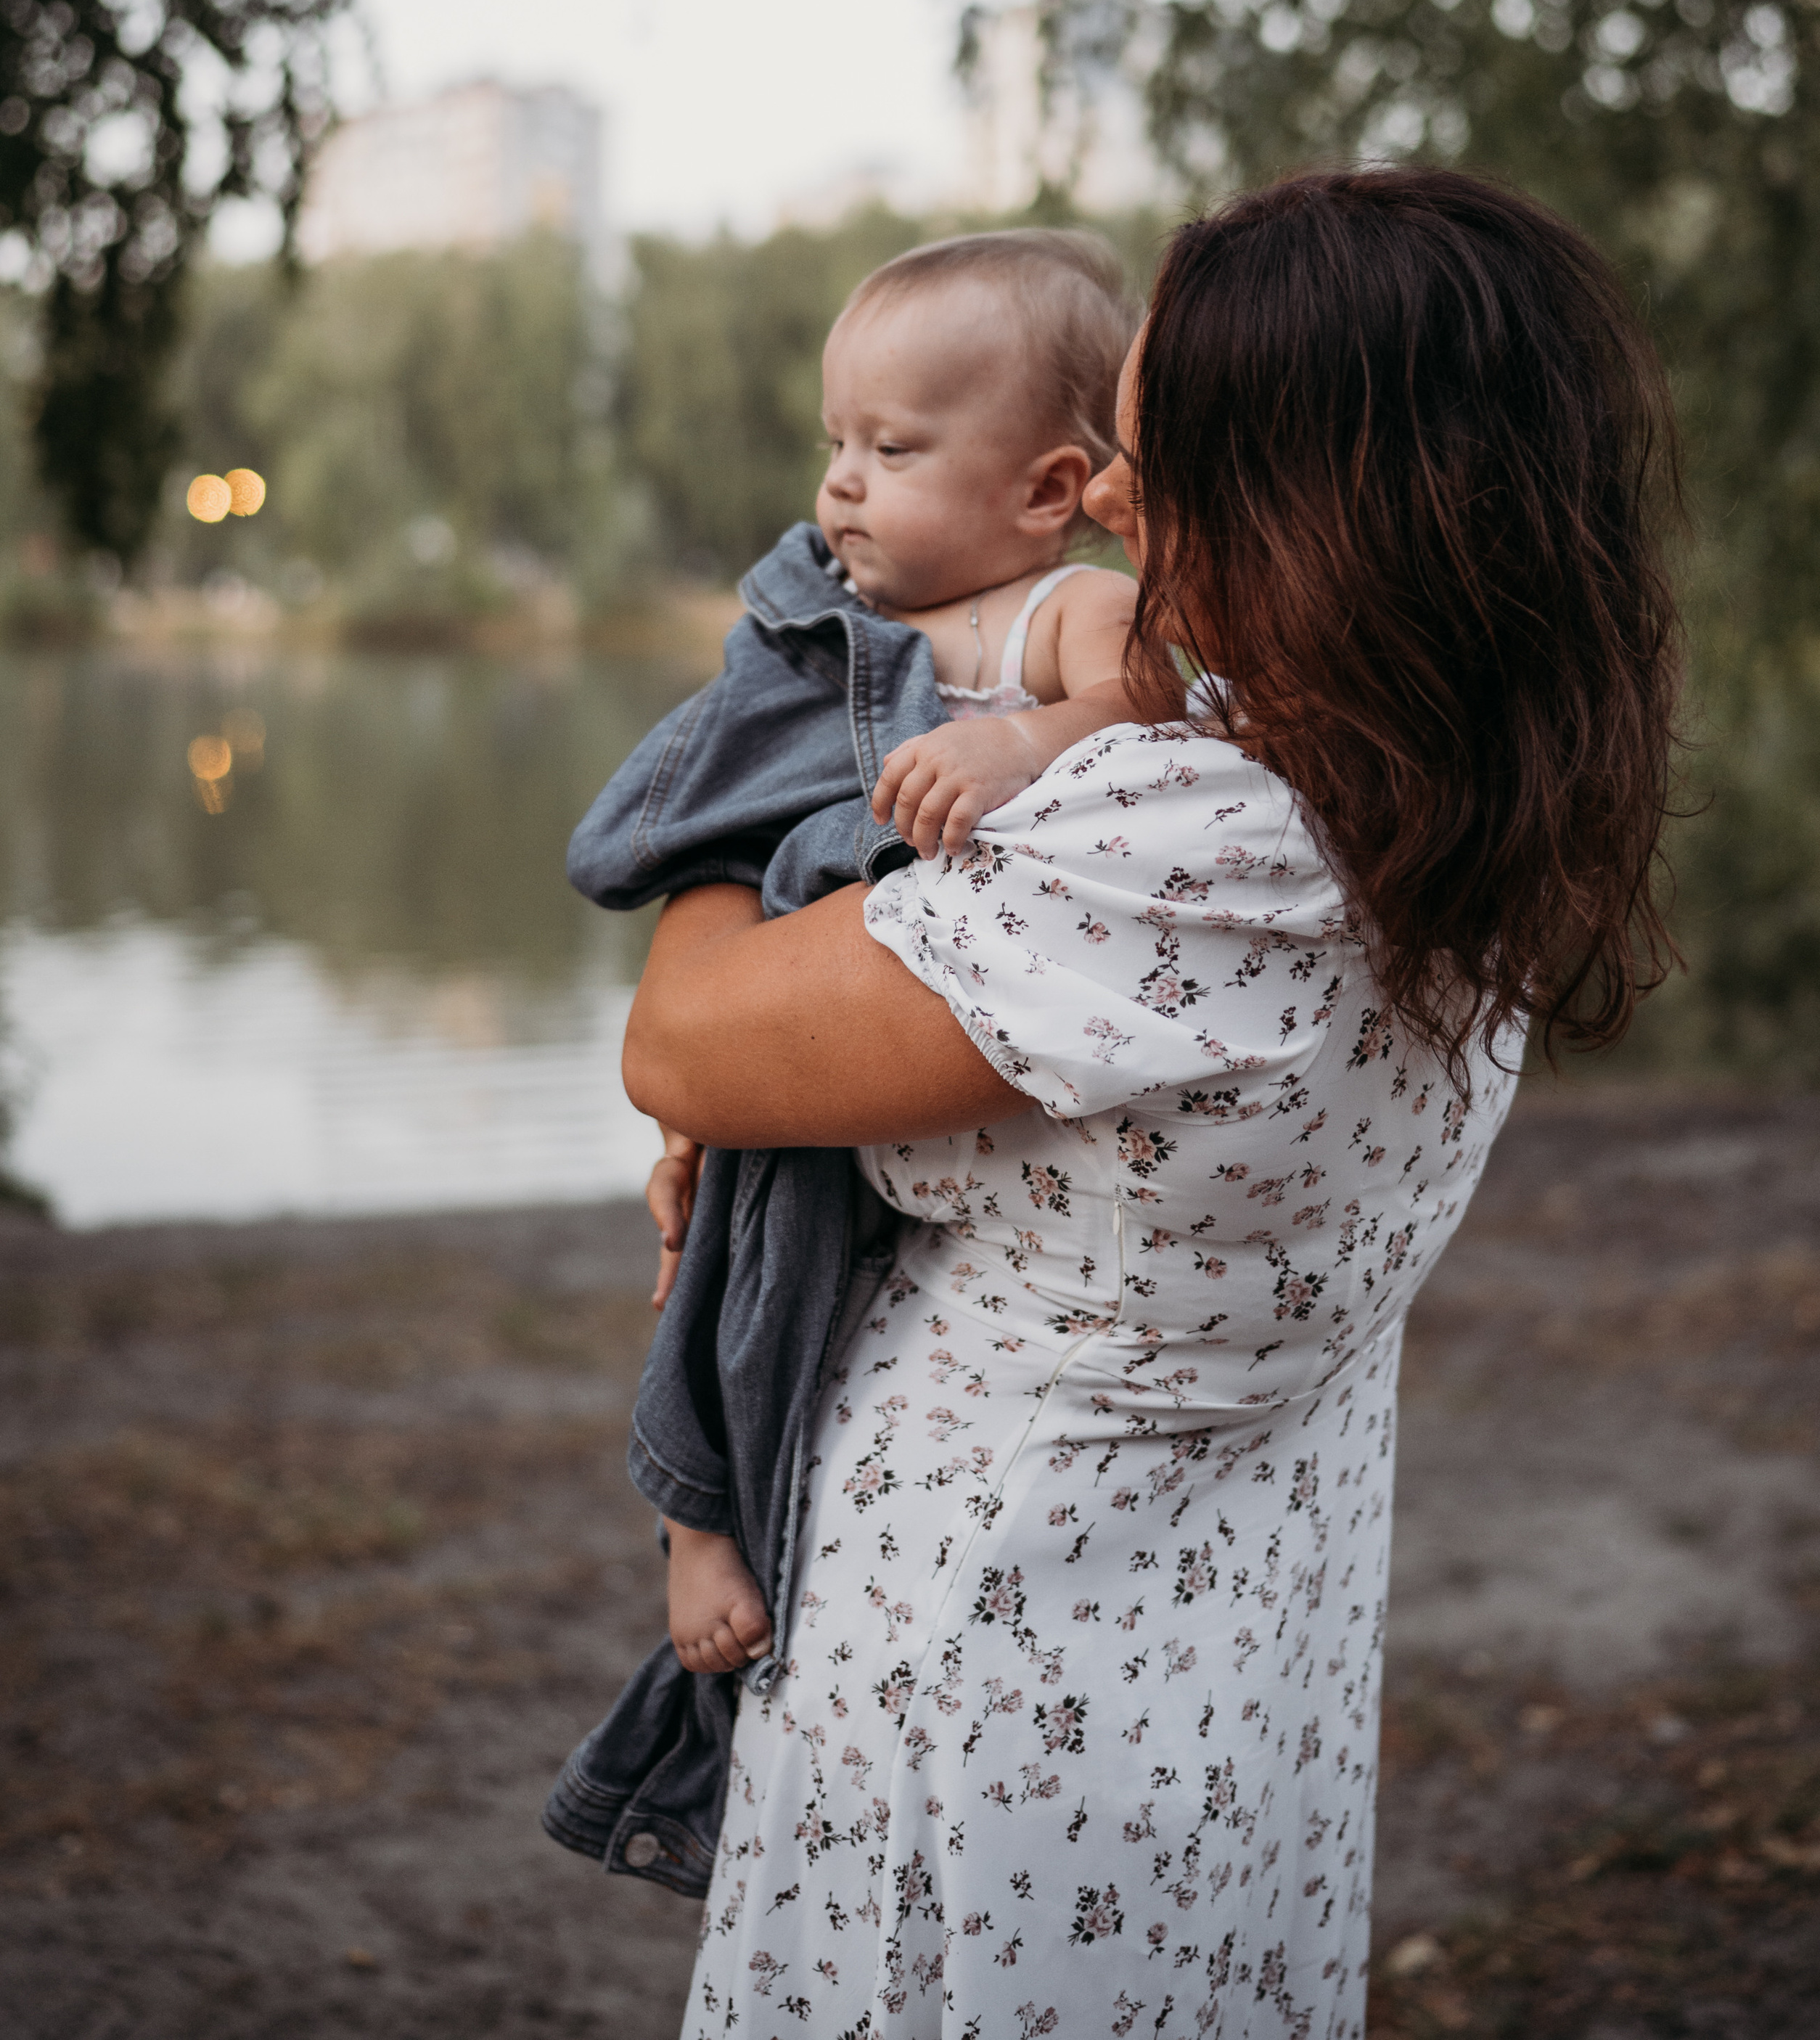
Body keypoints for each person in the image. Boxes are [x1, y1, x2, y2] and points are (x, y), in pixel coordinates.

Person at [623, 166, 1682, 2040]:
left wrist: (755, 756)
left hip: (992, 1689)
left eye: (1143, 456)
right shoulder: (1441, 813)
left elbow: (685, 1044)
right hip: (1222, 1653)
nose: (1102, 496)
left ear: (1311, 501)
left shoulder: (1191, 844)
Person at [546, 232, 1144, 1893]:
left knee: (781, 1264)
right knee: (717, 1229)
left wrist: (1021, 739)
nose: (841, 488)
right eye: (834, 444)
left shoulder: (1052, 610)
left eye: (892, 451)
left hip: (894, 1037)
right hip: (825, 1005)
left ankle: (706, 1515)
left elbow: (1139, 697)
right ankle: (689, 1518)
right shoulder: (822, 625)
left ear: (1045, 488)